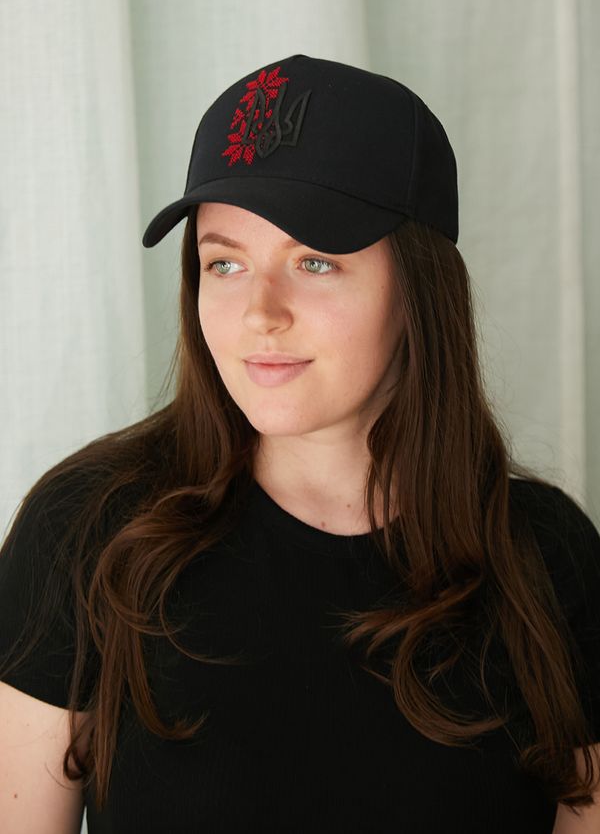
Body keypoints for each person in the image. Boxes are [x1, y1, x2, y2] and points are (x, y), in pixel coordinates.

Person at [0, 53, 598, 834]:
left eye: (315, 261)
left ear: (419, 288)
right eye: (226, 262)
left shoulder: (545, 561)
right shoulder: (88, 527)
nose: (261, 312)